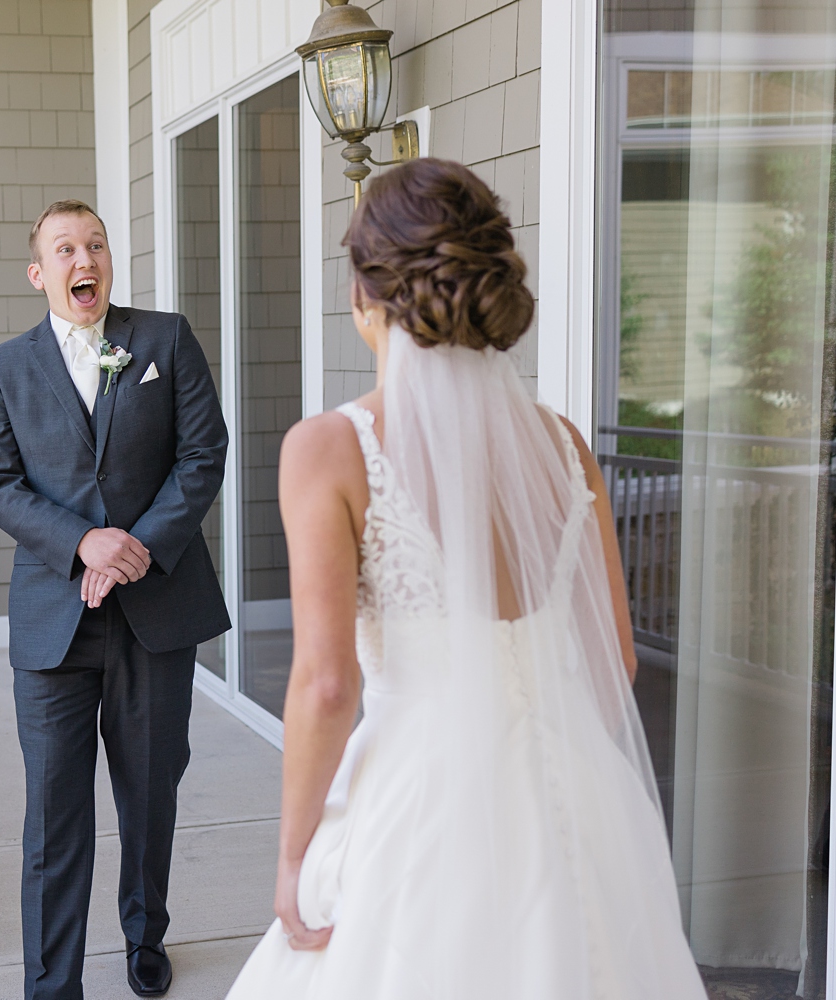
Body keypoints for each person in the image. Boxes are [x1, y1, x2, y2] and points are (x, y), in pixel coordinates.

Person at [226, 160, 706, 999]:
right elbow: (615, 663)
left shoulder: (328, 448)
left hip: (419, 809)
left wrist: (295, 855)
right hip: (576, 794)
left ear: (365, 292)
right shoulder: (565, 446)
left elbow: (327, 685)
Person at [0, 199, 230, 1000]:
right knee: (53, 818)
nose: (84, 259)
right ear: (39, 273)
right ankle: (52, 985)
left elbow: (203, 453)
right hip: (55, 625)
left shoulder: (162, 340)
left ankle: (145, 935)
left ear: (108, 258)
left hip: (156, 612)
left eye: (95, 244)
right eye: (65, 249)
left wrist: (131, 550)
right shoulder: (3, 369)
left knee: (150, 794)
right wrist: (83, 543)